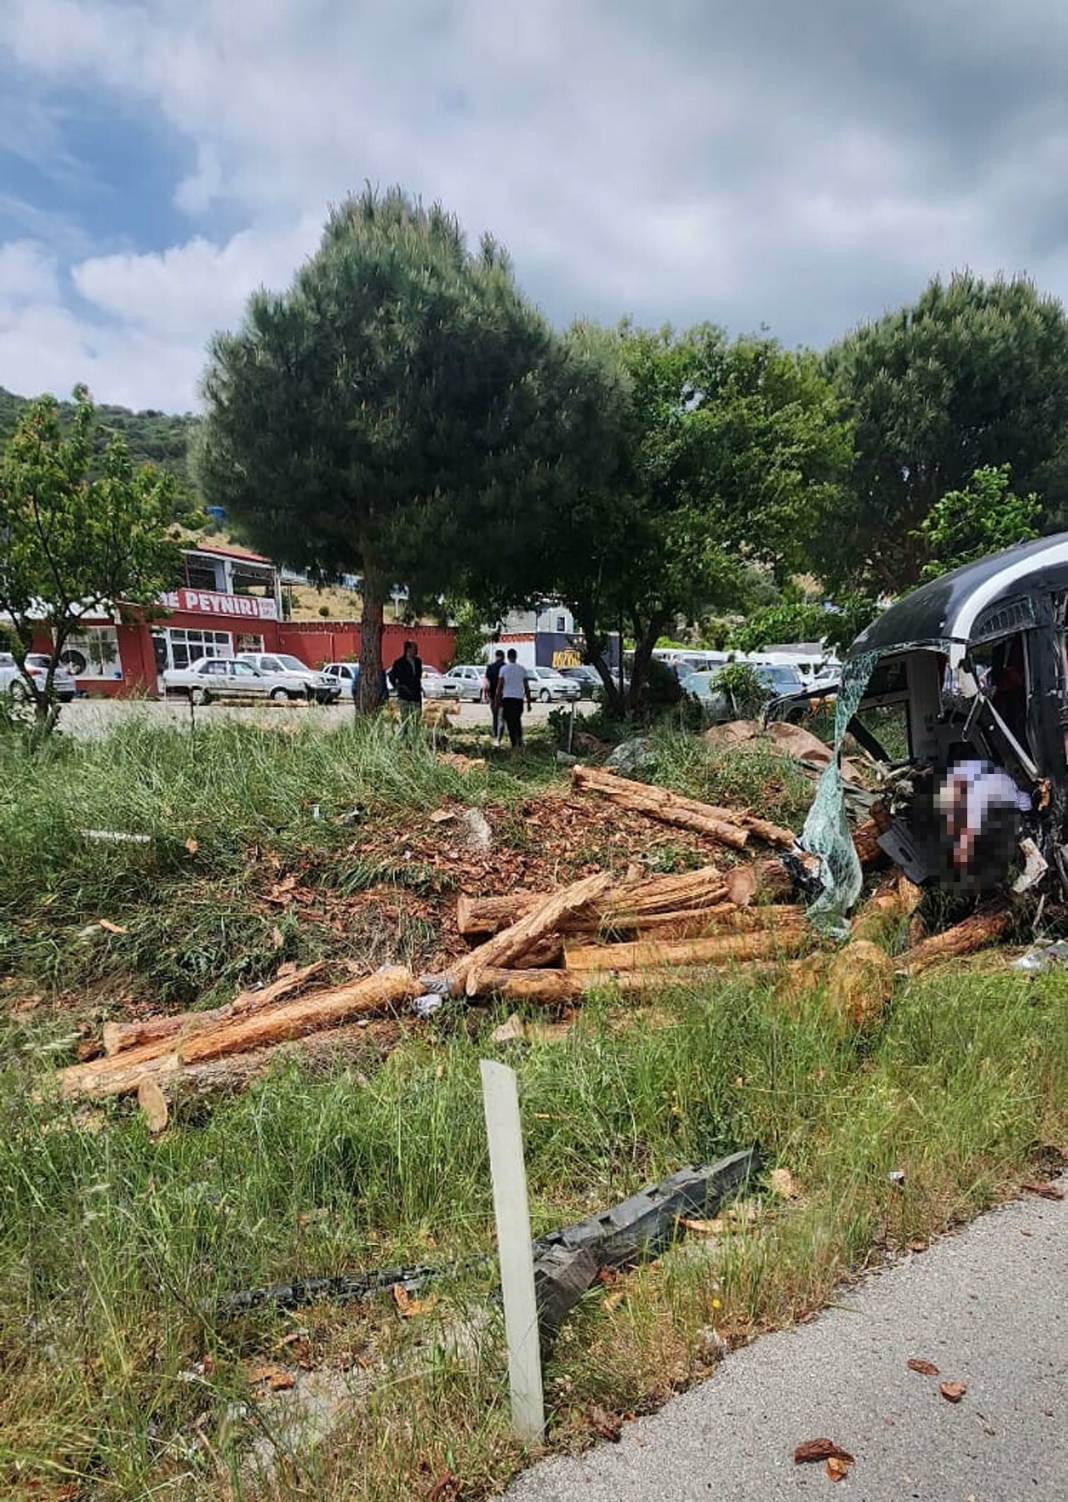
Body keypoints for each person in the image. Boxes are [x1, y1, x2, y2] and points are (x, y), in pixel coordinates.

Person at [496, 648, 532, 749]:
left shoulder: (503, 669)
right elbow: (526, 687)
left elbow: (499, 687)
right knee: (517, 719)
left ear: (508, 657)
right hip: (518, 699)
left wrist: (497, 701)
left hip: (507, 698)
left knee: (509, 721)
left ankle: (514, 743)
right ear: (516, 656)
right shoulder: (522, 669)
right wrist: (529, 702)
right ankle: (519, 740)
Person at [388, 640, 423, 733]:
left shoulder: (418, 662)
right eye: (414, 648)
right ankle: (404, 742)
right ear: (408, 649)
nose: (416, 650)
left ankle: (415, 741)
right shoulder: (399, 663)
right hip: (404, 697)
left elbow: (418, 677)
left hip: (416, 696)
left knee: (416, 721)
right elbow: (391, 676)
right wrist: (397, 686)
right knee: (405, 721)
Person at [482, 649, 506, 745]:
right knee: (502, 718)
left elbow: (486, 683)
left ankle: (495, 737)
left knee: (495, 717)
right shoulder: (506, 668)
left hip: (492, 696)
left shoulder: (490, 667)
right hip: (504, 696)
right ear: (503, 657)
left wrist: (484, 695)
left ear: (496, 656)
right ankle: (499, 739)